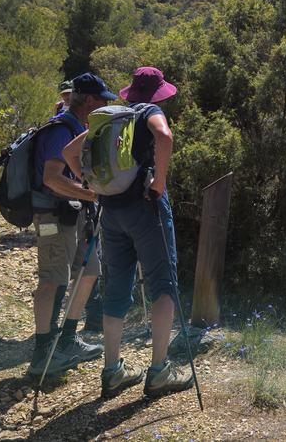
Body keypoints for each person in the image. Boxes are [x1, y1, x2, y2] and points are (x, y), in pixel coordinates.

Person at [63, 66, 194, 399]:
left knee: (116, 287)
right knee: (163, 285)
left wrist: (93, 186)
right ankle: (159, 371)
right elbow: (164, 137)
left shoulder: (111, 116)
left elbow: (68, 153)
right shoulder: (150, 111)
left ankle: (113, 370)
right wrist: (159, 184)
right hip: (146, 209)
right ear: (156, 93)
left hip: (112, 213)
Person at [28, 72, 114, 377]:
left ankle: (67, 339)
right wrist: (92, 194)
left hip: (75, 214)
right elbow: (52, 178)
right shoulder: (61, 130)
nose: (105, 105)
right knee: (53, 280)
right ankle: (43, 352)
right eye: (103, 100)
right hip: (54, 216)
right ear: (89, 100)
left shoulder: (78, 127)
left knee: (89, 274)